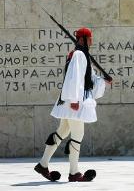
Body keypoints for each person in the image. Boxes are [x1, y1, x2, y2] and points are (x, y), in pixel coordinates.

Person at [34, 27, 110, 182]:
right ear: (83, 39)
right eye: (89, 38)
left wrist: (103, 81)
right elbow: (73, 78)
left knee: (62, 131)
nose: (91, 41)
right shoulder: (79, 54)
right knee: (78, 135)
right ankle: (74, 172)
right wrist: (75, 100)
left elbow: (88, 78)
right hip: (74, 101)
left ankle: (43, 164)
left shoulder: (81, 54)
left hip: (70, 100)